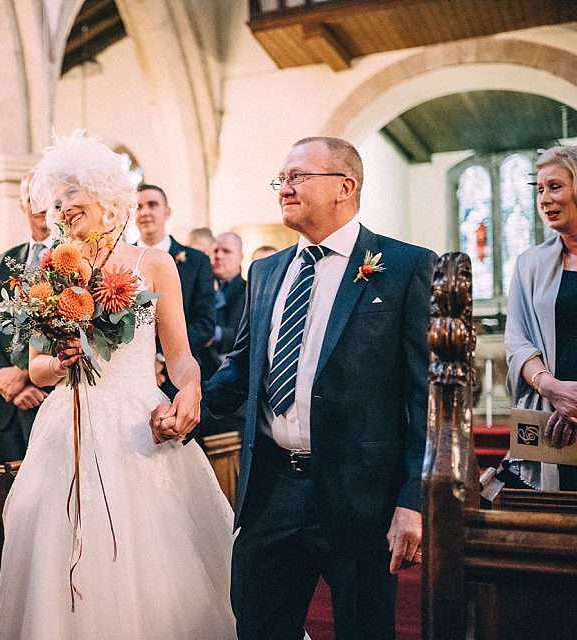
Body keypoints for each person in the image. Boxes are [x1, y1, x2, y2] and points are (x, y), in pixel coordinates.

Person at [177, 137, 434, 640]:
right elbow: (243, 370)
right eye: (282, 179)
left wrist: (413, 499)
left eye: (298, 177)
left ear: (345, 187)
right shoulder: (268, 270)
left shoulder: (404, 267)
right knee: (258, 626)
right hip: (272, 488)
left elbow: (423, 396)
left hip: (362, 494)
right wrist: (184, 409)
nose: (285, 188)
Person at [0, 133, 236, 639]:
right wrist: (58, 363)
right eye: (55, 202)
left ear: (105, 199)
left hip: (137, 424)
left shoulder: (153, 264)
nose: (62, 210)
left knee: (150, 553)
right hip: (67, 423)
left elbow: (182, 357)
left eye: (71, 199)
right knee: (58, 547)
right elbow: (35, 367)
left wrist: (188, 392)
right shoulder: (47, 269)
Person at [505, 145, 577, 491]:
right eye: (540, 190)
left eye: (556, 186)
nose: (545, 199)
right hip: (548, 419)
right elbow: (516, 341)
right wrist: (555, 390)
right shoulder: (529, 264)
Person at [0, 173, 54, 463]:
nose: (41, 204)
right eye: (33, 197)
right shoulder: (4, 262)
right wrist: (6, 380)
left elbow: (75, 328)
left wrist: (24, 375)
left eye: (47, 195)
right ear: (22, 204)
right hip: (8, 404)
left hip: (51, 398)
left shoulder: (76, 258)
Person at [135, 184, 215, 398]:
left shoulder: (196, 261)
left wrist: (160, 357)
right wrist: (141, 361)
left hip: (178, 379)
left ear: (166, 211)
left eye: (152, 205)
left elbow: (204, 323)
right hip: (132, 377)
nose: (144, 212)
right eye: (138, 206)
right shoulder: (123, 261)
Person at [199, 232, 247, 434]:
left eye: (226, 251)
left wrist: (211, 333)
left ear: (240, 257)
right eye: (215, 250)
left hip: (233, 395)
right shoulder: (203, 288)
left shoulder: (249, 290)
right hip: (201, 383)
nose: (218, 256)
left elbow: (244, 337)